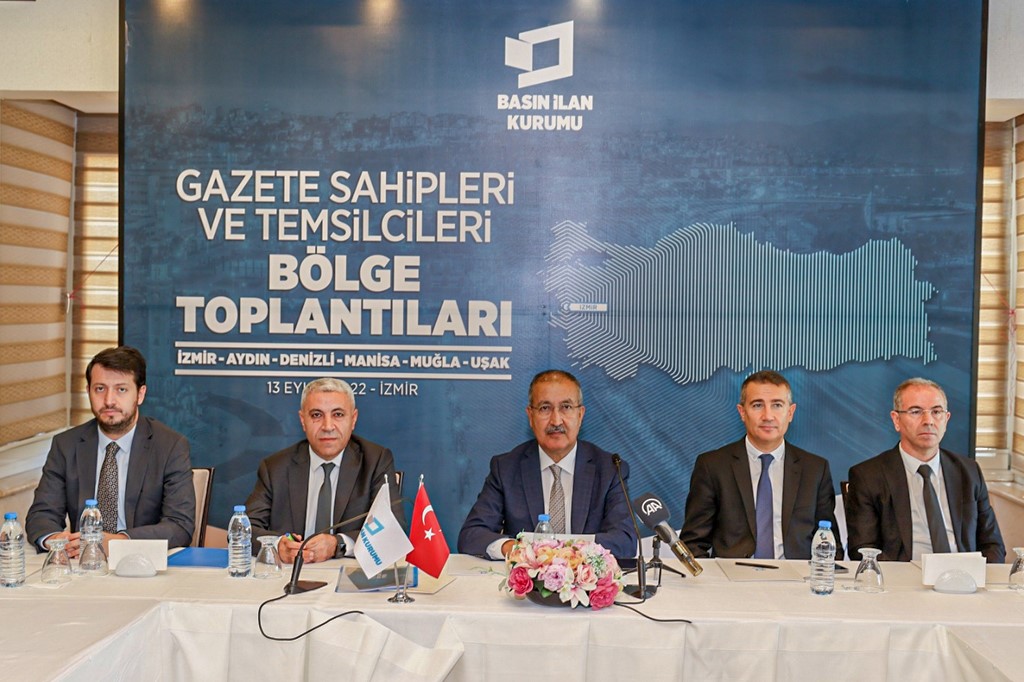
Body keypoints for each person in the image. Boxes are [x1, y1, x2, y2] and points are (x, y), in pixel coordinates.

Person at [26, 346, 195, 556]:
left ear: (140, 394)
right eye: (100, 389)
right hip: (83, 562)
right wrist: (55, 540)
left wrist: (118, 542)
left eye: (121, 389)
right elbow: (42, 513)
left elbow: (179, 525)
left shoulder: (169, 446)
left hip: (141, 562)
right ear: (88, 391)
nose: (109, 401)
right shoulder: (66, 445)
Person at [457, 369, 636, 559]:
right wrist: (515, 549)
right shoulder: (506, 468)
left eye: (566, 407)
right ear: (530, 416)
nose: (556, 420)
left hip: (586, 576)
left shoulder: (610, 469)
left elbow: (624, 541)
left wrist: (563, 553)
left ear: (580, 415)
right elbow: (471, 535)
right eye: (545, 408)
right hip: (526, 577)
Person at [680, 370, 842, 560]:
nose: (768, 416)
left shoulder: (815, 469)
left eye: (777, 405)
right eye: (757, 405)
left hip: (796, 576)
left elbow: (830, 544)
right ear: (742, 412)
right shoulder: (713, 466)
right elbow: (693, 543)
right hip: (733, 576)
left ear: (790, 413)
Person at [846, 378, 1005, 563]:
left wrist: (981, 575)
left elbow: (993, 545)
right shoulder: (868, 476)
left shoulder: (968, 472)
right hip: (903, 577)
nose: (928, 421)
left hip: (964, 575)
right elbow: (863, 549)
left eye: (936, 412)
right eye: (916, 411)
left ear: (946, 419)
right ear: (896, 420)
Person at [245, 377, 401, 565]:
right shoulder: (276, 467)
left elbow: (393, 529)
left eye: (338, 414)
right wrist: (277, 545)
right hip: (290, 572)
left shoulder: (375, 461)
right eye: (316, 415)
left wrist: (338, 544)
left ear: (353, 419)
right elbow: (244, 529)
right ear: (303, 420)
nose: (327, 426)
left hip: (350, 573)